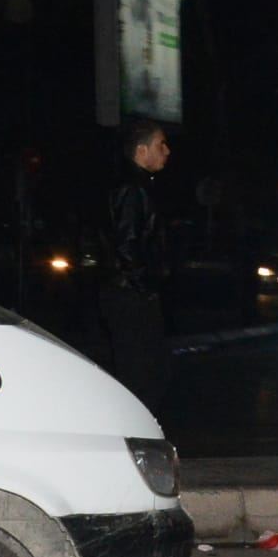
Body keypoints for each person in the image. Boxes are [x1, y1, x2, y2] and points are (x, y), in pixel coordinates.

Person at [100, 119, 171, 412]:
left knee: (141, 370)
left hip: (126, 292)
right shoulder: (133, 189)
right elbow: (127, 245)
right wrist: (145, 286)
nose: (167, 151)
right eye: (160, 145)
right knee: (143, 372)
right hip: (129, 294)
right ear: (142, 151)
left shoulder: (134, 185)